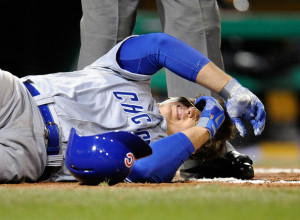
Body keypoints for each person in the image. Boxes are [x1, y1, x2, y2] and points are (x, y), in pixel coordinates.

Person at [0, 33, 265, 183]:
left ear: (195, 145)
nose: (190, 110)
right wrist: (231, 89)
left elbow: (145, 170)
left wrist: (207, 128)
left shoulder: (155, 155)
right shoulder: (131, 78)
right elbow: (158, 46)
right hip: (17, 99)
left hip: (29, 158)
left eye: (195, 119)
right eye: (191, 104)